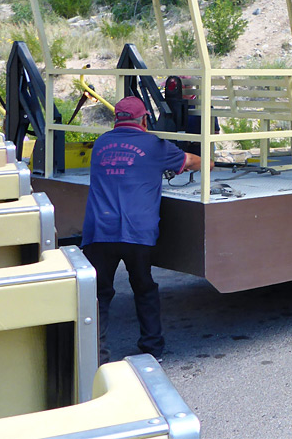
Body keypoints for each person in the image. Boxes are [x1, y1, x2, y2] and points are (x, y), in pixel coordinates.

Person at [82, 96, 203, 362]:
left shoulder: (101, 143)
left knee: (99, 294)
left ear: (116, 119)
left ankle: (96, 356)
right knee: (144, 288)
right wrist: (210, 162)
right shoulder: (154, 145)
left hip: (99, 229)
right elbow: (192, 161)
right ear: (145, 119)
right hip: (137, 231)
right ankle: (152, 348)